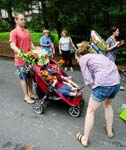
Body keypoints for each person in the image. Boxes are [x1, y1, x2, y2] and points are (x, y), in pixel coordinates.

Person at [75, 41, 120, 147]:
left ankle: (85, 139)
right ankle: (110, 131)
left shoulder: (83, 59)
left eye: (76, 58)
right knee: (108, 105)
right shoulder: (97, 56)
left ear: (80, 55)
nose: (77, 61)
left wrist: (95, 90)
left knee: (90, 111)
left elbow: (88, 80)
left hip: (103, 85)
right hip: (116, 83)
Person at [9, 13, 37, 104]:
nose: (24, 21)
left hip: (30, 59)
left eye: (24, 19)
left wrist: (37, 50)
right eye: (21, 19)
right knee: (23, 78)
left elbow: (30, 43)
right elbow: (12, 45)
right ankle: (26, 96)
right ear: (16, 20)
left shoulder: (27, 31)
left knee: (30, 78)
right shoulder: (14, 32)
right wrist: (21, 53)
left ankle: (30, 93)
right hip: (20, 61)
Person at [105, 26, 124, 90]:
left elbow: (113, 47)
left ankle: (108, 85)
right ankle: (118, 86)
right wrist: (115, 45)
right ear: (113, 32)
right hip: (109, 57)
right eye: (117, 31)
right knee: (114, 71)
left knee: (110, 72)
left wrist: (118, 45)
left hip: (113, 57)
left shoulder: (114, 39)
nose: (119, 32)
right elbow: (106, 49)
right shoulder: (109, 39)